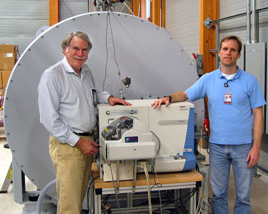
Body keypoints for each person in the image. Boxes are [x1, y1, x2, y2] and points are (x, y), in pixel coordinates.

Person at [152, 35, 265, 214]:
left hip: (244, 147)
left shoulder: (250, 81)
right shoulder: (208, 79)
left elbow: (259, 115)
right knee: (218, 195)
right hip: (217, 147)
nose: (228, 53)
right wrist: (168, 98)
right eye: (225, 49)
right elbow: (186, 94)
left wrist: (256, 147)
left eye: (233, 50)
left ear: (239, 55)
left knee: (243, 197)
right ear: (219, 53)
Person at [38, 31, 131, 214]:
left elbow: (92, 93)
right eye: (75, 48)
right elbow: (50, 120)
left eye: (84, 49)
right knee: (69, 205)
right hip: (69, 146)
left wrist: (109, 97)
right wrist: (79, 142)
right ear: (65, 49)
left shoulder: (85, 71)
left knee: (78, 199)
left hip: (86, 143)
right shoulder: (53, 76)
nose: (80, 53)